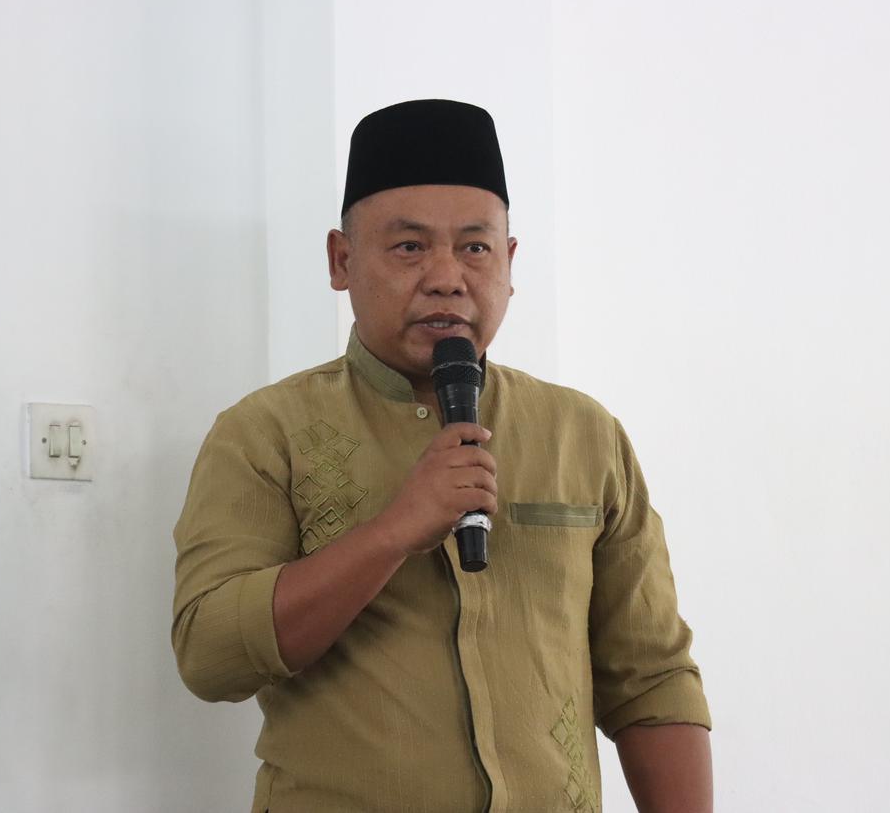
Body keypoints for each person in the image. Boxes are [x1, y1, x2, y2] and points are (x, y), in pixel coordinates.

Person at [172, 99, 712, 813]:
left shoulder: (584, 434)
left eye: (475, 248)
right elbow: (210, 655)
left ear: (510, 263)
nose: (447, 277)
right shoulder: (263, 432)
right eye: (409, 247)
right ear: (341, 261)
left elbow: (651, 678)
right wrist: (394, 531)